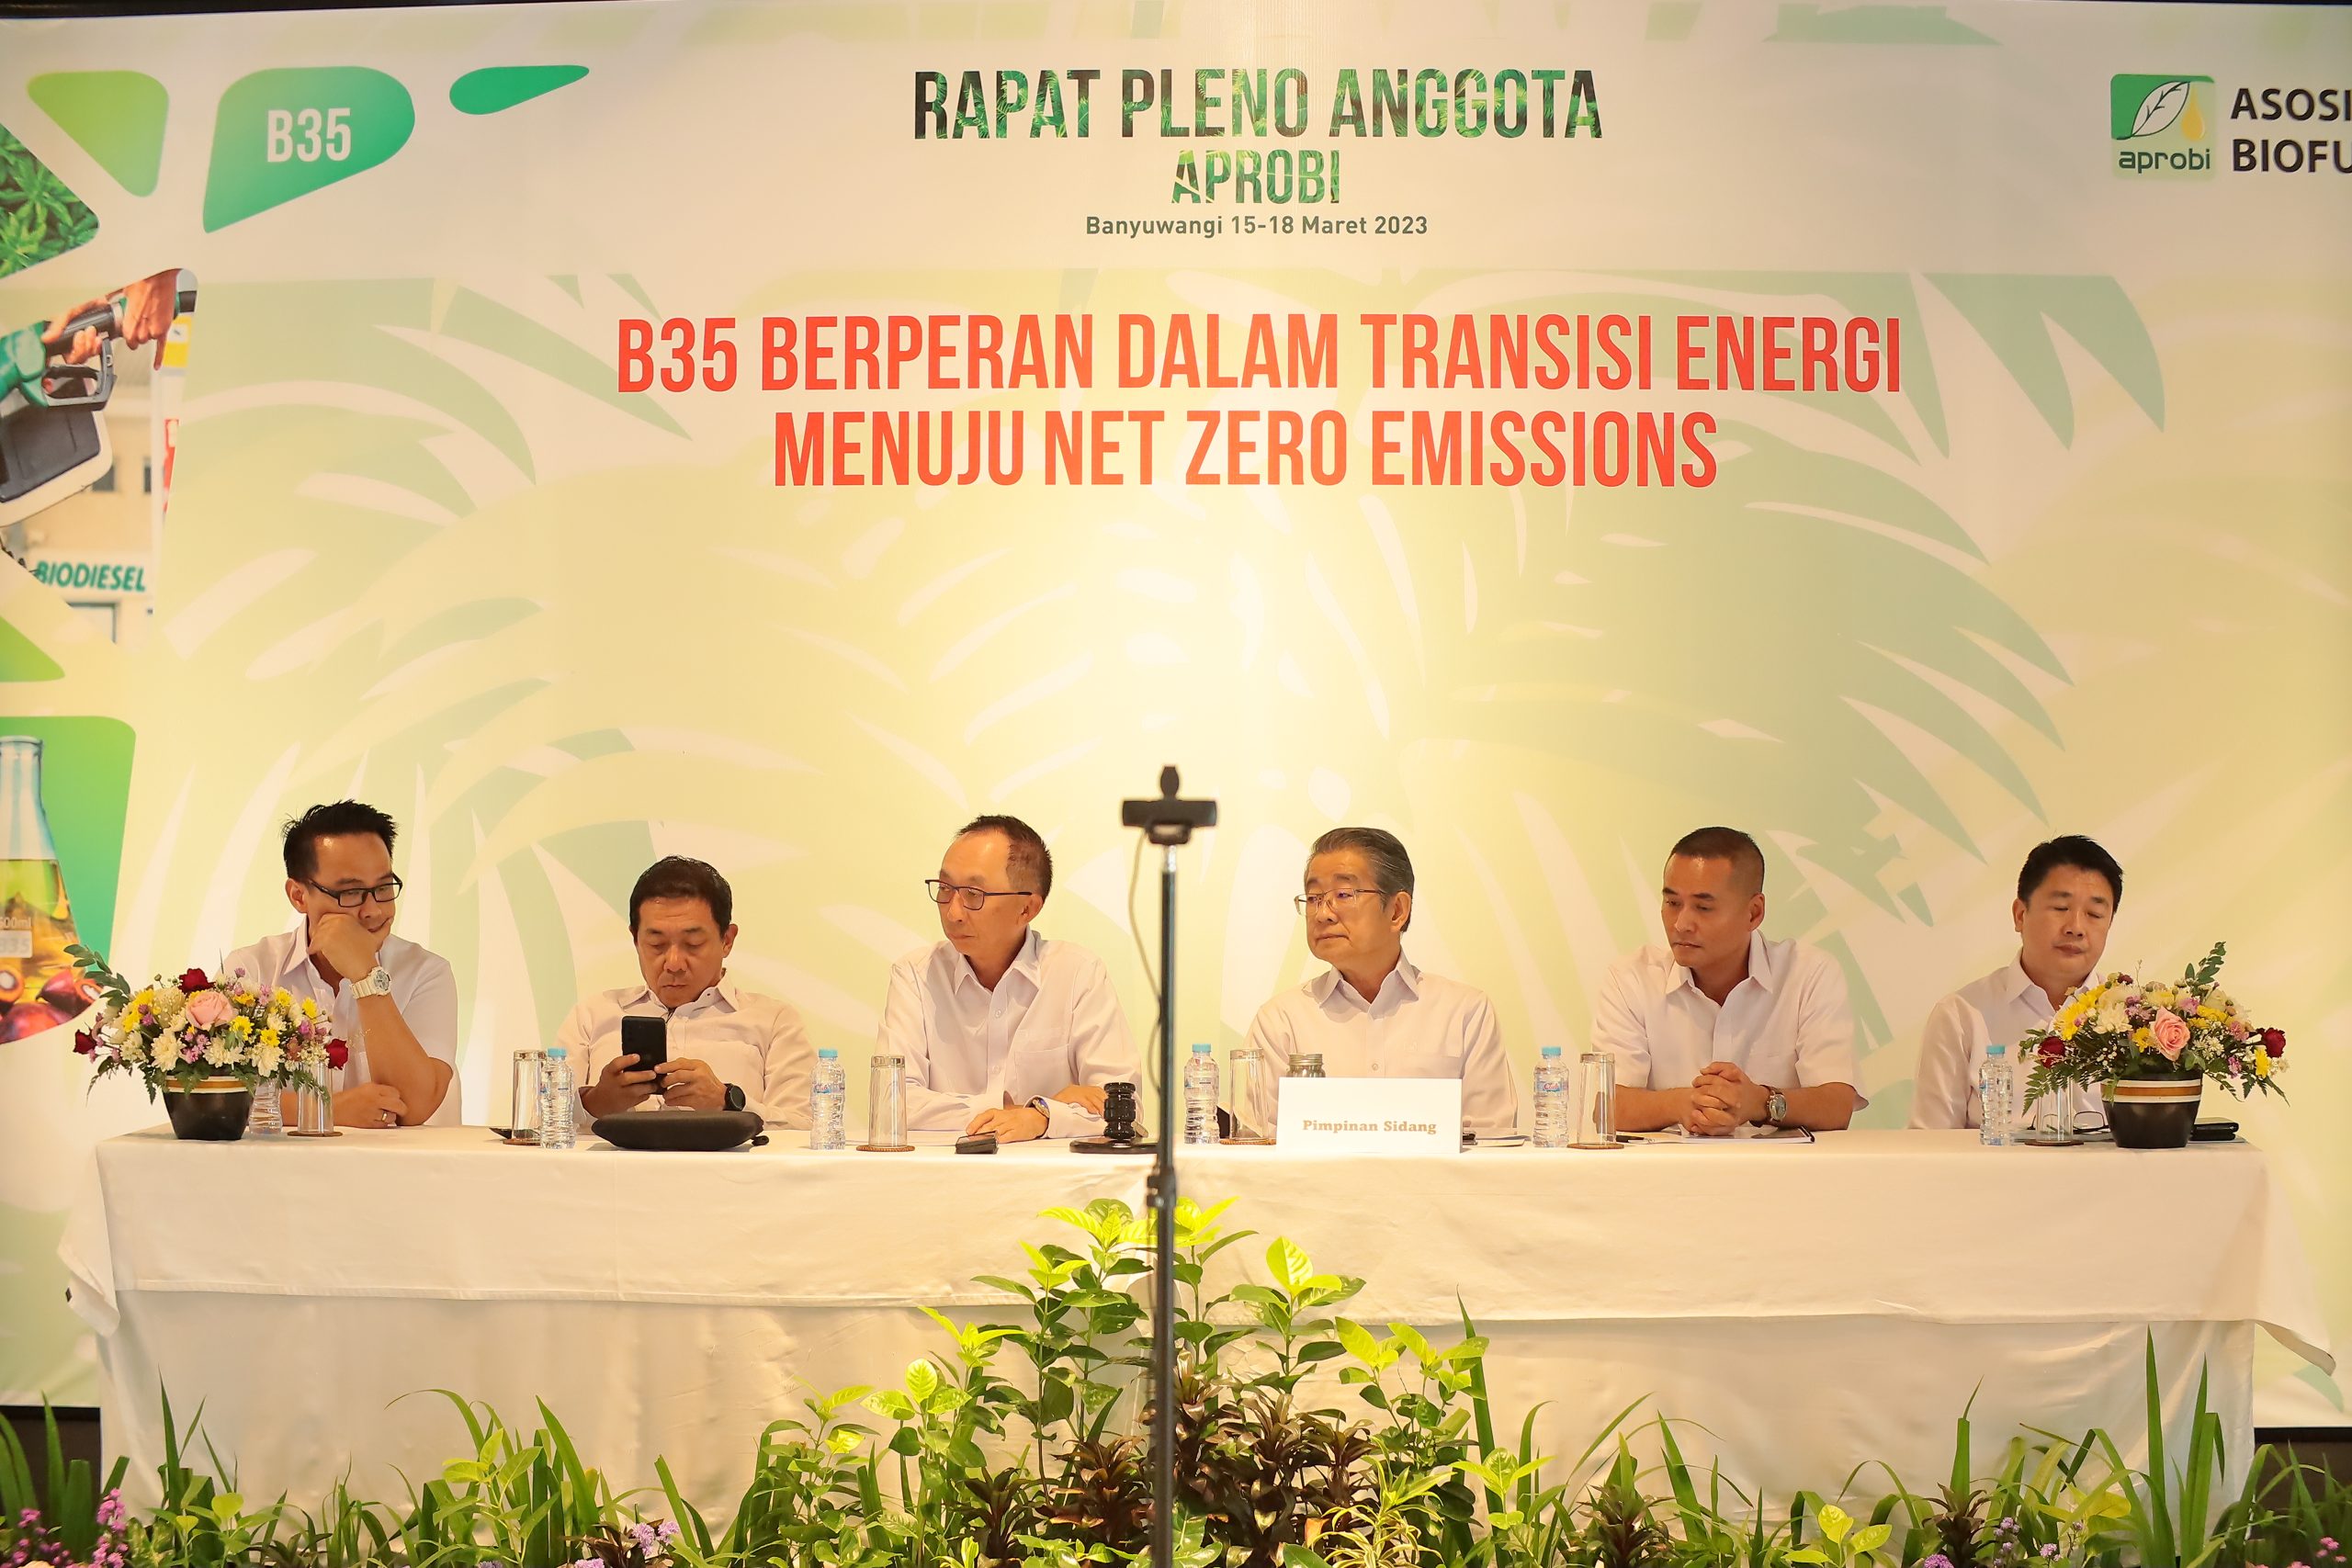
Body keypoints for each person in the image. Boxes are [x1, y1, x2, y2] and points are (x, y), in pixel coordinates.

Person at [1241, 827, 1518, 1135]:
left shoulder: (1465, 1012)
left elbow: (1490, 1138)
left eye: (1343, 895)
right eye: (1314, 898)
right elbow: (1257, 1142)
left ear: (1397, 911)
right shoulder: (1281, 1021)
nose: (1322, 914)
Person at [879, 814, 1137, 1143]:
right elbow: (891, 1104)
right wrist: (1030, 1110)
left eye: (973, 894)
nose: (953, 912)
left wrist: (1041, 1118)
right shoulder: (916, 975)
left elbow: (1122, 1109)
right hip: (947, 1169)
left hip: (1048, 1174)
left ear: (1027, 909)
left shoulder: (1077, 974)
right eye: (945, 889)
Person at [1591, 826, 1861, 1134]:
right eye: (1672, 903)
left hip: (1778, 1166)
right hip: (1671, 1165)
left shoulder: (1808, 974)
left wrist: (1760, 1102)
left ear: (1754, 913)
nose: (1681, 924)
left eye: (1703, 907)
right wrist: (1683, 1104)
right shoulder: (1631, 978)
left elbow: (1837, 1105)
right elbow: (1606, 1107)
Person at [220, 800, 458, 1128]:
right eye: (351, 893)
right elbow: (219, 1097)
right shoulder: (252, 970)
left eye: (383, 888)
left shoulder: (426, 972)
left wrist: (365, 974)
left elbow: (415, 1106)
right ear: (298, 896)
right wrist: (329, 1108)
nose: (373, 910)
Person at [559, 856, 814, 1126]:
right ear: (635, 939)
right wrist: (594, 1103)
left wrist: (727, 1102)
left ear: (727, 940)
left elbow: (803, 1128)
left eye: (693, 944)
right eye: (656, 945)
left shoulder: (774, 1022)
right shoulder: (591, 1016)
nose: (673, 963)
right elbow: (539, 1128)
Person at [1909, 835, 2123, 1131]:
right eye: (2061, 908)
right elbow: (1931, 1144)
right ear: (2020, 915)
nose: (2076, 927)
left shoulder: (2136, 1022)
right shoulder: (1961, 1016)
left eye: (2094, 914)